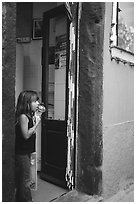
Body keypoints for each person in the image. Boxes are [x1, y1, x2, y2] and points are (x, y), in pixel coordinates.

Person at [15, 90, 42, 202]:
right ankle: (27, 200)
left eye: (37, 101)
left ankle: (20, 199)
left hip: (27, 151)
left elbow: (32, 133)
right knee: (25, 179)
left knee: (24, 177)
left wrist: (36, 118)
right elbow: (26, 135)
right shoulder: (23, 117)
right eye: (35, 101)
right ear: (27, 103)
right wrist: (36, 124)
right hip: (22, 153)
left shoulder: (29, 115)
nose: (37, 104)